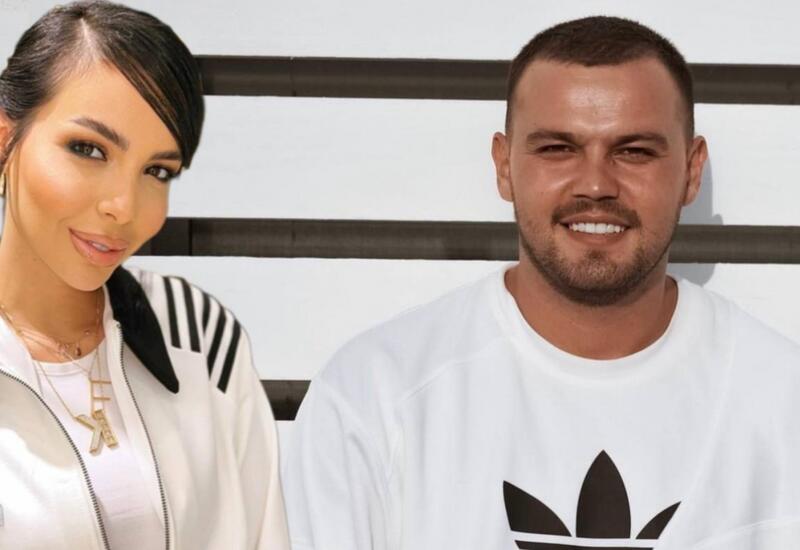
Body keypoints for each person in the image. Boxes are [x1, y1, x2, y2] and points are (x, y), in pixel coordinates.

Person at [282, 16, 800, 550]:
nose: (595, 185)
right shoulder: (373, 398)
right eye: (557, 148)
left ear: (691, 171)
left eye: (634, 151)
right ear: (504, 166)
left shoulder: (784, 403)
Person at [0, 2, 288, 548]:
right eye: (88, 149)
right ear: (5, 140)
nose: (123, 207)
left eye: (157, 171)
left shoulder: (199, 335)